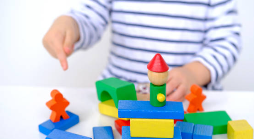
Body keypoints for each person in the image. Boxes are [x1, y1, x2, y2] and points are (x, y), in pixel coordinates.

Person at [43, 0, 241, 101]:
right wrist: (69, 25)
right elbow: (90, 17)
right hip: (117, 97)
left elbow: (227, 41)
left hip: (185, 100)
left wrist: (193, 73)